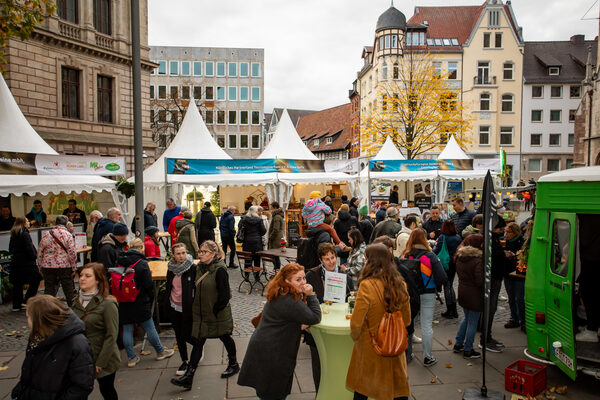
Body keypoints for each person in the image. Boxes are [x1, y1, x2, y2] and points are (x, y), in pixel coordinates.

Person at [238, 263, 321, 400]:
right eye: (298, 279)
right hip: (273, 354)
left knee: (269, 393)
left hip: (267, 349)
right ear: (287, 281)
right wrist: (311, 294)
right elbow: (315, 317)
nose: (303, 283)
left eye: (304, 278)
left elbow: (287, 318)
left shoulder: (281, 292)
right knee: (274, 394)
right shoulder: (290, 300)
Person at [346, 243, 411, 400]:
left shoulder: (367, 286)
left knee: (363, 387)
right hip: (395, 344)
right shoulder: (401, 284)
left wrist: (358, 336)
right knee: (396, 387)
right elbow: (407, 319)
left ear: (370, 261)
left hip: (371, 345)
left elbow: (356, 323)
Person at [171, 240, 239, 389]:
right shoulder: (199, 268)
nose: (200, 254)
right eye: (200, 251)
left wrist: (215, 310)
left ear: (213, 254)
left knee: (225, 337)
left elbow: (225, 295)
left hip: (217, 313)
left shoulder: (220, 270)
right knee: (198, 342)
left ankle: (233, 364)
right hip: (202, 314)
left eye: (204, 252)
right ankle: (189, 376)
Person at [12, 295, 95, 400]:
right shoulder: (37, 336)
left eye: (28, 317)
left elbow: (82, 385)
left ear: (39, 319)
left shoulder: (76, 344)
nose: (27, 320)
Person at [117, 238, 175, 367]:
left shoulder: (120, 261)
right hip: (139, 300)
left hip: (124, 300)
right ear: (140, 248)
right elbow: (148, 284)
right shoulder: (141, 263)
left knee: (127, 329)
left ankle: (131, 358)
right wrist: (151, 295)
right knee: (149, 327)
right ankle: (160, 351)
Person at [72, 263, 120, 400]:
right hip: (81, 357)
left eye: (88, 276)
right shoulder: (75, 301)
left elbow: (112, 335)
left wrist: (101, 362)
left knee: (107, 389)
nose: (82, 279)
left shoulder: (108, 303)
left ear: (98, 280)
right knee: (79, 392)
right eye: (81, 275)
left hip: (102, 356)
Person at [373, 236, 421, 363]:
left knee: (403, 364)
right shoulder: (378, 269)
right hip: (385, 329)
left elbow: (414, 301)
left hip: (400, 329)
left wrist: (404, 323)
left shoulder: (401, 271)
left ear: (389, 250)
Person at [403, 229, 447, 367]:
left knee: (409, 323)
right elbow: (442, 277)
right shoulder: (430, 256)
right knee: (427, 325)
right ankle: (428, 357)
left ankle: (407, 353)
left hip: (411, 294)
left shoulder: (407, 255)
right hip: (428, 292)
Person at [163, 244, 197, 377]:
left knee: (187, 334)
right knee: (179, 335)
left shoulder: (192, 268)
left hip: (188, 308)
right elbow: (168, 287)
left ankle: (198, 347)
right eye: (178, 253)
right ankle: (185, 361)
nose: (181, 256)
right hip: (174, 306)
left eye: (183, 253)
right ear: (173, 255)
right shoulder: (171, 269)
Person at [480, 217, 508, 353]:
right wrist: (504, 256)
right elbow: (494, 258)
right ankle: (485, 338)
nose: (501, 231)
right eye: (500, 228)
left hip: (494, 277)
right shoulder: (490, 240)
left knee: (490, 308)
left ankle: (486, 336)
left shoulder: (491, 238)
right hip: (492, 278)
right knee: (490, 308)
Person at [454, 234, 484, 359]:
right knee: (472, 322)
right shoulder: (478, 260)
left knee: (467, 318)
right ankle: (468, 348)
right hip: (474, 294)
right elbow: (479, 281)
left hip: (463, 290)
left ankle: (458, 343)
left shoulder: (460, 257)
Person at [37, 215, 77, 306]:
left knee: (49, 289)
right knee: (68, 290)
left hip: (48, 266)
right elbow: (72, 253)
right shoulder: (68, 235)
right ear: (66, 223)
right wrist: (74, 267)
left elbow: (40, 252)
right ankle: (74, 310)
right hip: (64, 266)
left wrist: (40, 266)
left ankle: (47, 310)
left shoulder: (46, 234)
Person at [9, 217, 41, 311]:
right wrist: (34, 255)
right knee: (36, 279)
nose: (29, 222)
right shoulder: (25, 234)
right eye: (27, 221)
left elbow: (10, 249)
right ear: (23, 223)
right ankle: (26, 301)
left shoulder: (14, 233)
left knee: (17, 284)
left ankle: (16, 305)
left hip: (16, 263)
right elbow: (29, 249)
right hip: (27, 263)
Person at [433, 219, 463, 319]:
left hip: (445, 263)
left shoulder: (443, 237)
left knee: (447, 286)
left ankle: (450, 310)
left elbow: (436, 251)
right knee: (450, 285)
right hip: (454, 263)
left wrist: (435, 245)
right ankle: (454, 310)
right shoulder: (458, 237)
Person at [503, 222, 526, 331]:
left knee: (520, 298)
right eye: (505, 231)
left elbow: (524, 256)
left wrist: (514, 255)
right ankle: (514, 318)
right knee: (511, 298)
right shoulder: (505, 241)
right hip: (507, 272)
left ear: (515, 232)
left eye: (508, 232)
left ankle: (524, 321)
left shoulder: (522, 242)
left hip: (519, 273)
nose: (506, 234)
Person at [239, 206, 266, 280]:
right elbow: (263, 231)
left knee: (247, 259)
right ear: (255, 211)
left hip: (247, 242)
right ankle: (256, 276)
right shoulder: (259, 220)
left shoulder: (243, 219)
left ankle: (246, 276)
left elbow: (240, 229)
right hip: (257, 242)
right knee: (257, 259)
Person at [267, 202, 284, 270]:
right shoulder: (277, 215)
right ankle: (276, 270)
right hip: (277, 237)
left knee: (275, 256)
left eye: (271, 207)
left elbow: (276, 229)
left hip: (275, 239)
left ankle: (276, 270)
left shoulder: (276, 217)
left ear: (274, 207)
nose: (270, 208)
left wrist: (270, 237)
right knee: (275, 256)